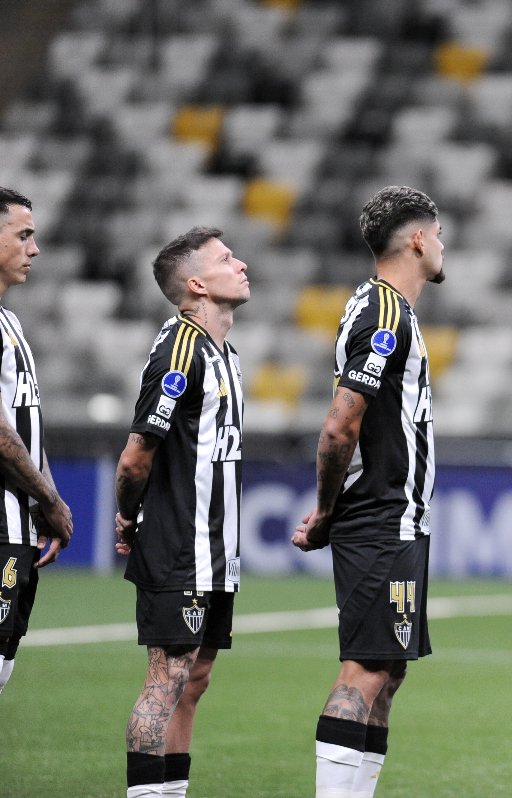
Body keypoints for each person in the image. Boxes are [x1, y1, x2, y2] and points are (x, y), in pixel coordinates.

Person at [291, 185, 444, 798]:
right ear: (416, 239)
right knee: (366, 669)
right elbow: (340, 422)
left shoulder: (389, 311)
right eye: (437, 233)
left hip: (396, 517)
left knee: (390, 668)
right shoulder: (382, 313)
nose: (441, 244)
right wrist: (328, 508)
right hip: (379, 517)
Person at [115, 227, 249, 798]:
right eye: (225, 259)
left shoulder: (225, 353)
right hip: (179, 547)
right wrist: (128, 515)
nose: (240, 263)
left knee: (195, 679)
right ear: (196, 284)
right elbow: (135, 455)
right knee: (167, 678)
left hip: (216, 553)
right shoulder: (180, 349)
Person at [0, 186, 73, 697]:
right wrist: (48, 499)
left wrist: (48, 499)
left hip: (16, 524)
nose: (35, 248)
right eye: (24, 235)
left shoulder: (10, 322)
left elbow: (26, 427)